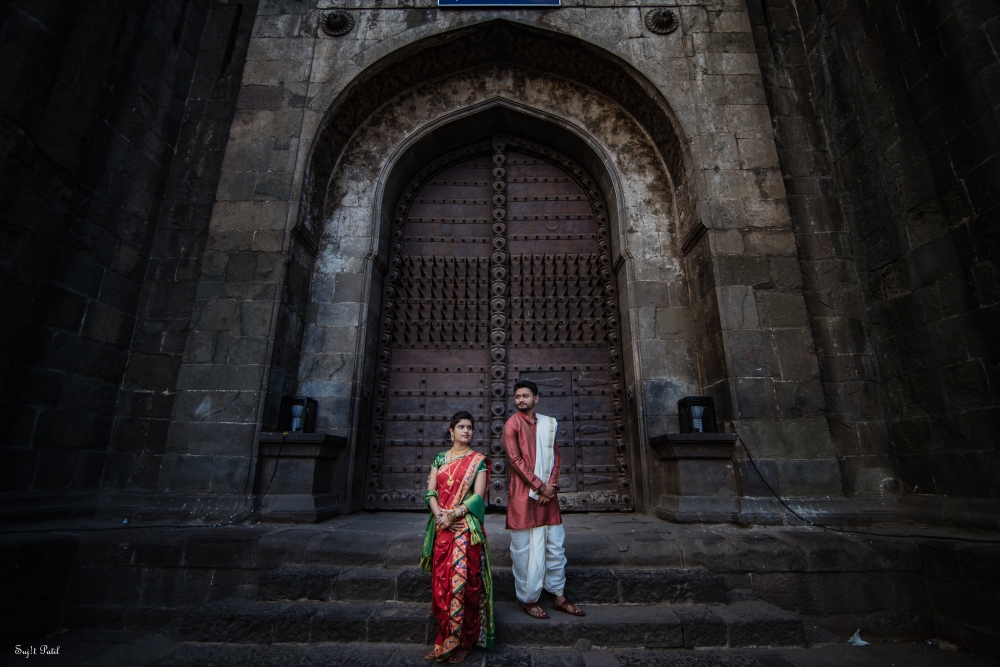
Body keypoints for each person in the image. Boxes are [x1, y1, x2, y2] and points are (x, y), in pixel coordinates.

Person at [502, 380, 585, 619]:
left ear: (536, 398)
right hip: (523, 495)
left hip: (548, 495)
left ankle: (558, 595)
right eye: (517, 396)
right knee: (525, 550)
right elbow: (515, 461)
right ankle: (529, 599)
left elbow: (556, 456)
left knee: (554, 546)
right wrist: (539, 487)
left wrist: (552, 487)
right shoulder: (512, 424)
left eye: (525, 396)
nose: (520, 400)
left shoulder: (548, 424)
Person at [421, 411, 495, 663]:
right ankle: (444, 638)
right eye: (461, 427)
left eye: (470, 427)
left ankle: (465, 641)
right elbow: (430, 493)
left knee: (466, 587)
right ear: (451, 430)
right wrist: (440, 514)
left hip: (466, 529)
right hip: (442, 528)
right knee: (442, 585)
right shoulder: (439, 459)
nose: (466, 431)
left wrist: (454, 514)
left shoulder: (479, 461)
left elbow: (478, 497)